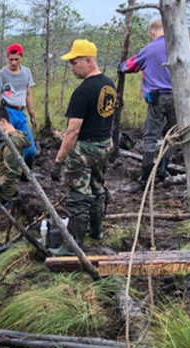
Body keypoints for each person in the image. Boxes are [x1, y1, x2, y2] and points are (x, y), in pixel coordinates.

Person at [119, 19, 190, 189]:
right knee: (172, 134)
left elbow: (130, 66)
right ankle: (162, 170)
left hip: (156, 99)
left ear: (153, 32)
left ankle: (145, 177)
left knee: (151, 137)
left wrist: (121, 66)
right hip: (178, 99)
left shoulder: (148, 50)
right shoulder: (182, 48)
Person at [50, 39, 117, 255]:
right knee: (97, 188)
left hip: (85, 149)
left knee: (78, 195)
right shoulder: (109, 84)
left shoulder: (82, 92)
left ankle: (73, 245)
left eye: (74, 62)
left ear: (88, 61)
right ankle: (96, 231)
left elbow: (72, 131)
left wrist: (59, 160)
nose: (71, 67)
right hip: (104, 146)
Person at [0, 43, 38, 168]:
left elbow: (28, 95)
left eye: (16, 59)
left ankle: (25, 173)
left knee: (30, 149)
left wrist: (32, 116)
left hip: (21, 113)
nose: (13, 62)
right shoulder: (1, 74)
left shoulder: (26, 72)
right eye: (11, 59)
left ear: (21, 57)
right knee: (0, 146)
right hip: (6, 112)